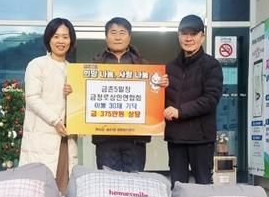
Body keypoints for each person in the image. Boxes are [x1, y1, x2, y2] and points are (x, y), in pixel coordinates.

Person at [92, 17, 167, 172]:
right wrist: (72, 89)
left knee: (134, 181)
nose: (117, 37)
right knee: (107, 181)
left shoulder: (143, 65)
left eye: (122, 33)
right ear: (106, 37)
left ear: (129, 37)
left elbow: (153, 97)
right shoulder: (95, 64)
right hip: (105, 137)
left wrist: (160, 86)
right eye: (113, 33)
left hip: (135, 138)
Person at [19, 18, 78, 193]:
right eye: (56, 36)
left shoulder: (73, 70)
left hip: (66, 138)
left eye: (65, 37)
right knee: (39, 189)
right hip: (42, 136)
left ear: (71, 40)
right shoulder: (37, 65)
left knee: (64, 188)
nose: (61, 41)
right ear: (48, 39)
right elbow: (32, 98)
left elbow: (80, 105)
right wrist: (55, 121)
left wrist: (74, 94)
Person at [164, 14, 223, 186]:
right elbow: (161, 102)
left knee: (203, 186)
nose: (188, 38)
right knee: (177, 187)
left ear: (202, 37)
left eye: (193, 34)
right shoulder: (169, 68)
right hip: (176, 138)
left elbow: (211, 99)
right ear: (178, 36)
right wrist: (159, 88)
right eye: (184, 33)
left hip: (201, 138)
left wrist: (180, 112)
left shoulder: (211, 65)